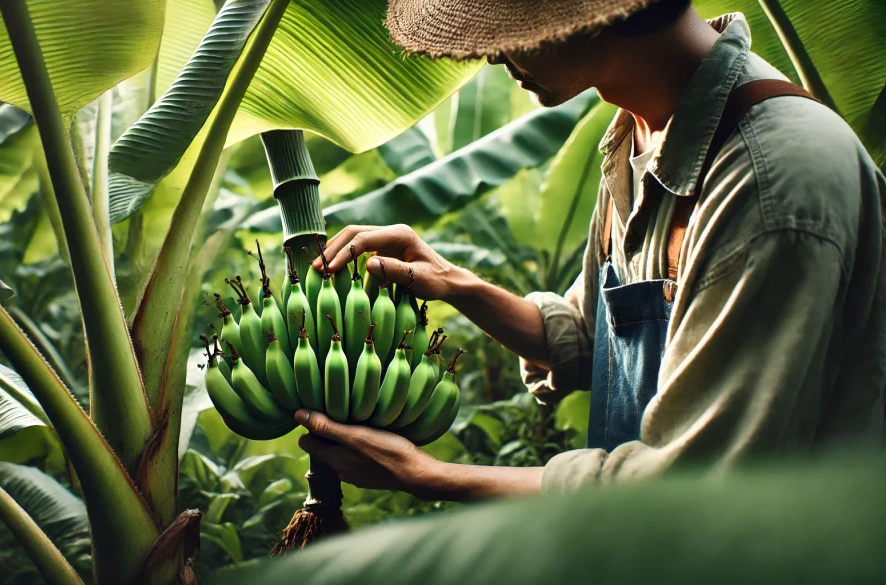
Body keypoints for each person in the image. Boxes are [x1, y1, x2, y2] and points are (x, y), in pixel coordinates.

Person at [294, 0, 886, 500]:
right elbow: (595, 338)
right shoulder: (645, 131)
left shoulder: (770, 178)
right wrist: (452, 281)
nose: (495, 53)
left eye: (515, 26)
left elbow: (694, 490)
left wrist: (428, 476)